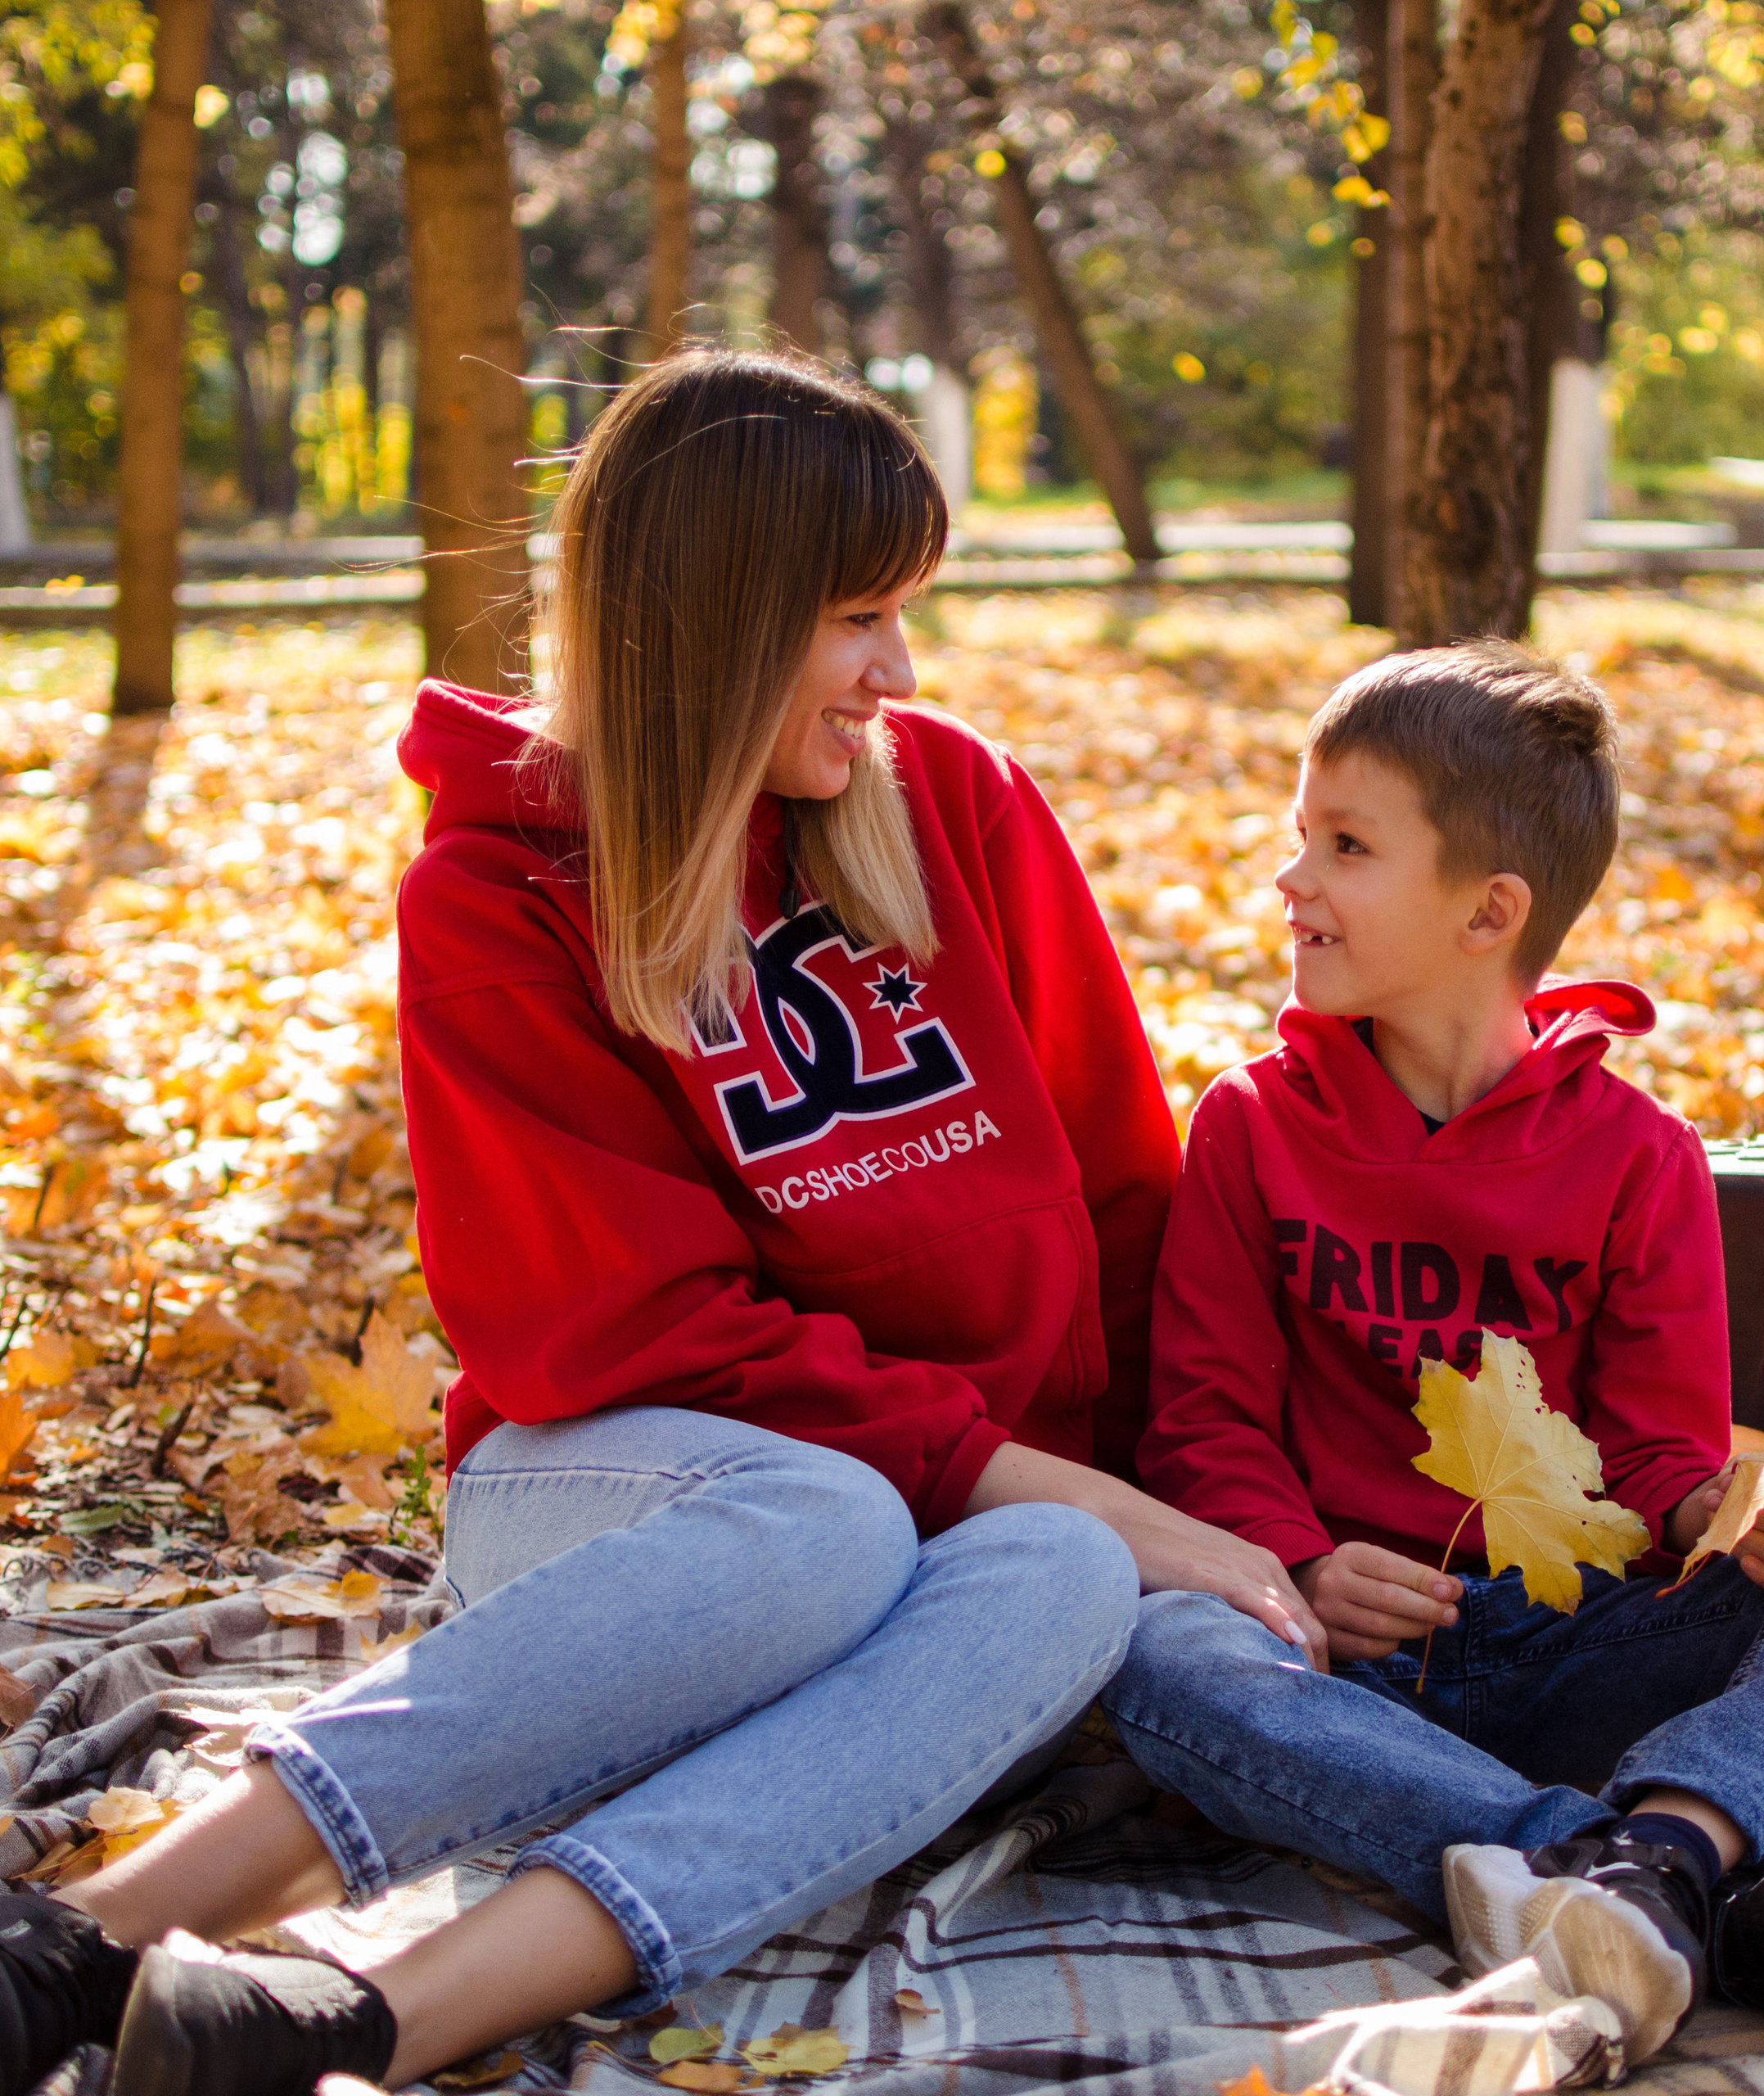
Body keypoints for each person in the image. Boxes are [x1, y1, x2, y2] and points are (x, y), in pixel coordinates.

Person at [0, 351, 1322, 2096]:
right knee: (830, 1514)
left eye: (904, 614)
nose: (898, 671)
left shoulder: (956, 808)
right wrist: (1051, 1478)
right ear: (716, 615)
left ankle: (351, 2024)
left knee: (1066, 1570)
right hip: (637, 1509)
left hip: (945, 1566)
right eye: (856, 616)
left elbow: (1124, 1203)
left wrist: (1194, 1519)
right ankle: (85, 1947)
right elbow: (633, 1331)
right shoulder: (498, 894)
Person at [1100, 641, 1764, 2066]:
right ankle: (1653, 1866)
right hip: (1342, 1664)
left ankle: (1661, 1852)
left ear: (1489, 910)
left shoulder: (1641, 1159)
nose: (1292, 883)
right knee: (1158, 1653)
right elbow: (1203, 1424)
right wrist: (1302, 1563)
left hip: (1589, 1645)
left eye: (1344, 847)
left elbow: (1654, 1460)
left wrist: (1725, 1514)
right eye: (1298, 839)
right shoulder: (1252, 1129)